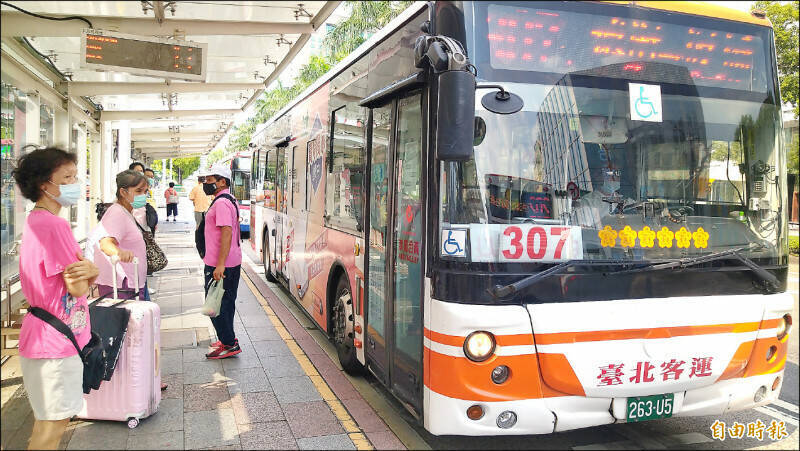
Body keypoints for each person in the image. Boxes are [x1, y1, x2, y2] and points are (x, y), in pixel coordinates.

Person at [12, 147, 100, 450]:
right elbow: (77, 287)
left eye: (75, 176)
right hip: (56, 343)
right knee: (52, 429)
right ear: (44, 185)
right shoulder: (54, 225)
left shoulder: (35, 221)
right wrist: (94, 271)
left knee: (47, 424)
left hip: (43, 336)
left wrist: (88, 272)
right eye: (67, 177)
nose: (75, 183)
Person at [91, 170, 150, 301]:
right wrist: (119, 252)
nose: (143, 195)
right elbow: (105, 243)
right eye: (139, 191)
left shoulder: (126, 212)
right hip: (123, 286)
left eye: (145, 192)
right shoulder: (117, 213)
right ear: (123, 192)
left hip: (130, 283)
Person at [202, 165, 242, 359]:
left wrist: (220, 264)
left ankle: (229, 344)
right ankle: (227, 339)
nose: (206, 184)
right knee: (225, 302)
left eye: (209, 181)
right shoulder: (227, 199)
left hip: (222, 264)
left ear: (222, 182)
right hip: (227, 261)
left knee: (216, 305)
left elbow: (226, 232)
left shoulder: (221, 203)